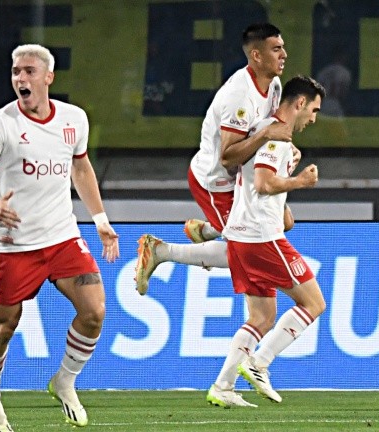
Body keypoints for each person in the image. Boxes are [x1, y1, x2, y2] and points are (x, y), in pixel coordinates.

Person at [0, 44, 119, 432]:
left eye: (29, 71)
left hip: (63, 236)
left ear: (48, 77)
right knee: (3, 327)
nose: (21, 79)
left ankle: (65, 380)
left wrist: (99, 219)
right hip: (15, 244)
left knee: (95, 311)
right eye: (16, 71)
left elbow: (80, 168)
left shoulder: (74, 119)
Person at [135, 23, 293, 296]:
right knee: (245, 253)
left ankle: (208, 230)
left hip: (245, 176)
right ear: (256, 55)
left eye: (283, 47)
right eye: (276, 49)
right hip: (217, 182)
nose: (284, 54)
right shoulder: (238, 97)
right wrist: (267, 134)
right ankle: (159, 250)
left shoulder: (274, 84)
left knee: (285, 223)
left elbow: (271, 130)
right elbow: (229, 157)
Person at [220, 75, 326, 407]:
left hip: (240, 235)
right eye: (314, 110)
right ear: (299, 103)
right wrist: (299, 183)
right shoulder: (277, 137)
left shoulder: (264, 128)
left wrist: (284, 206)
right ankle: (259, 362)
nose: (314, 118)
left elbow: (254, 182)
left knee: (262, 317)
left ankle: (223, 386)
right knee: (314, 304)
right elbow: (264, 183)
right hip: (261, 237)